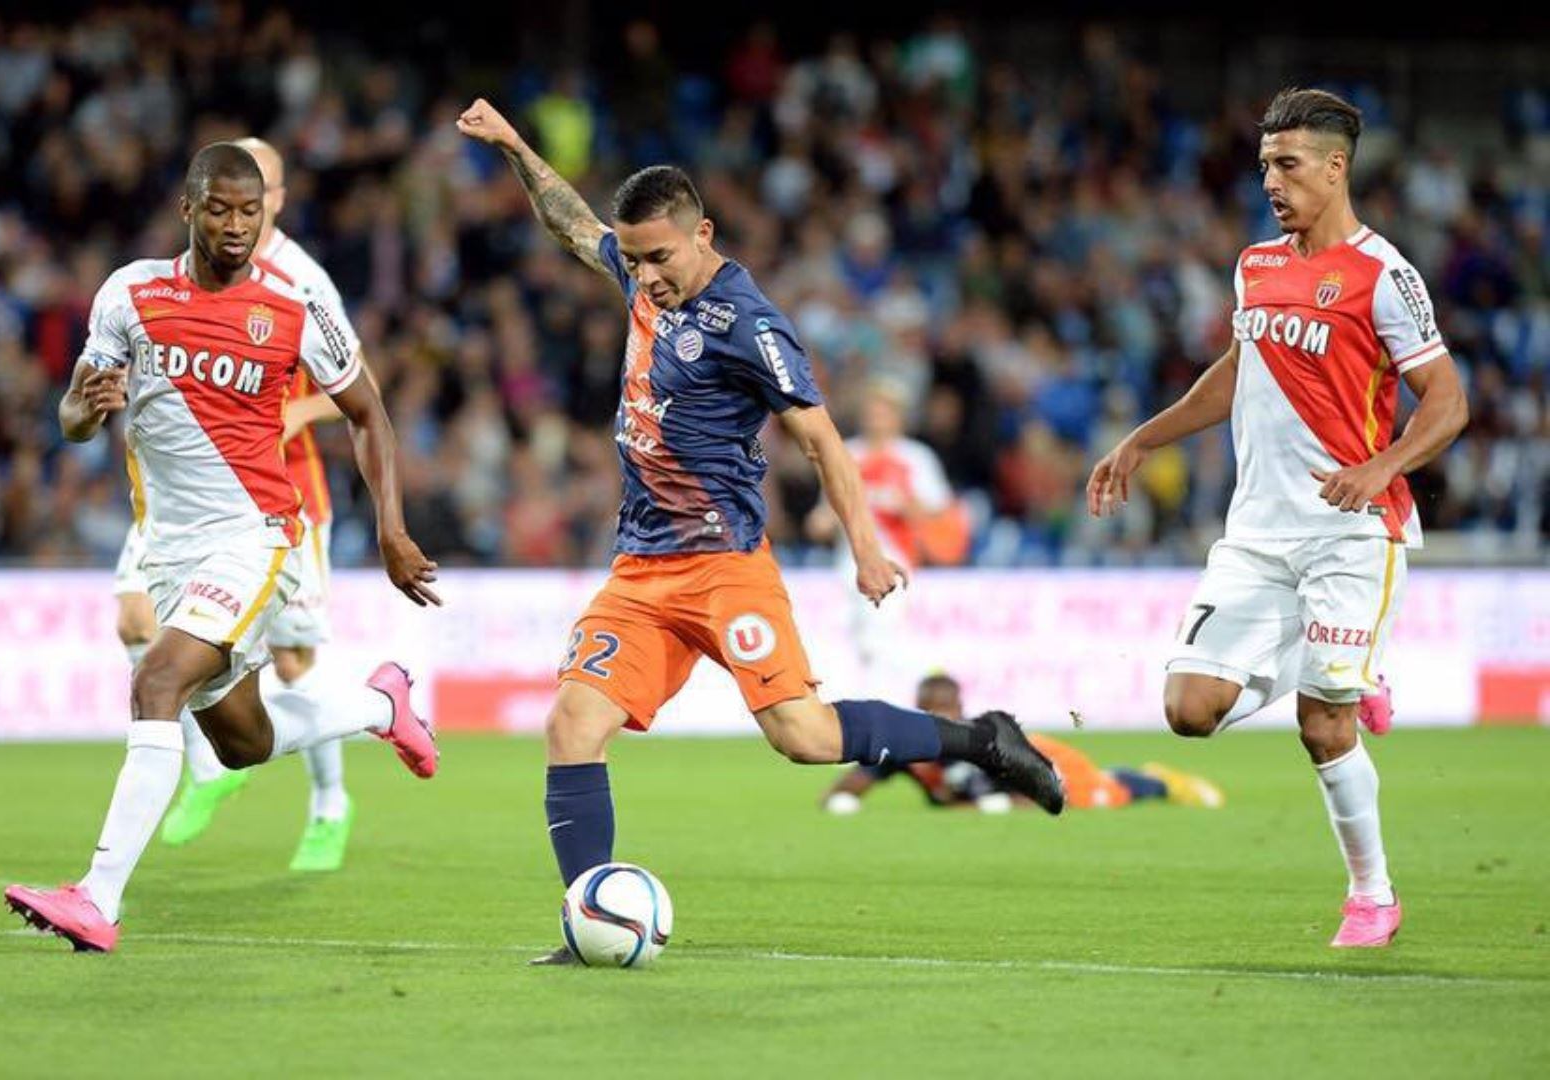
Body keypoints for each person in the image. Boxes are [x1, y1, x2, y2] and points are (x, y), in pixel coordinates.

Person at [456, 98, 1065, 967]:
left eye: (660, 257)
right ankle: (587, 918)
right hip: (640, 571)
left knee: (803, 738)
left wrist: (864, 546)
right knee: (570, 726)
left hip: (724, 566)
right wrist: (516, 145)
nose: (646, 276)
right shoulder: (639, 275)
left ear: (703, 232)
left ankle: (986, 739)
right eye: (634, 260)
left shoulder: (751, 326)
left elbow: (819, 437)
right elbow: (571, 222)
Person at [5, 143, 442, 952]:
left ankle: (98, 897)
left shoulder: (294, 306)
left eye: (250, 211)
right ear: (188, 208)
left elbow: (368, 414)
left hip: (257, 536)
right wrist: (81, 404)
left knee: (156, 678)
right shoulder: (130, 294)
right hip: (167, 548)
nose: (237, 226)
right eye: (220, 209)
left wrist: (391, 528)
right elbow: (73, 421)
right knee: (242, 743)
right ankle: (382, 705)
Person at [1086, 89, 1469, 948]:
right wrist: (1142, 440)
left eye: (1288, 164)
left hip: (1350, 529)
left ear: (1337, 169)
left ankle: (1373, 896)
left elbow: (1448, 401)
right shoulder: (1256, 265)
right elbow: (1237, 365)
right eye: (1264, 165)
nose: (1271, 180)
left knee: (1320, 722)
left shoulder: (1385, 275)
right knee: (1188, 708)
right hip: (1256, 535)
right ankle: (1348, 663)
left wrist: (1381, 464)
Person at [150, 137, 362, 873]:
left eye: (262, 189)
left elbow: (357, 389)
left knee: (296, 659)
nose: (248, 204)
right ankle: (206, 769)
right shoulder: (188, 271)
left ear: (278, 196)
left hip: (287, 493)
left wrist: (298, 415)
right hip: (201, 501)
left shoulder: (302, 280)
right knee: (143, 624)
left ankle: (330, 804)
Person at [821, 673, 1223, 813]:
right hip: (1005, 784)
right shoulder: (909, 748)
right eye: (932, 710)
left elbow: (1030, 797)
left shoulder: (979, 747)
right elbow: (848, 788)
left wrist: (981, 809)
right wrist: (845, 799)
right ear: (918, 708)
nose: (942, 719)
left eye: (948, 709)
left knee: (1102, 795)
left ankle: (1160, 782)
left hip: (1042, 757)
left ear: (961, 707)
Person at [806, 379, 954, 697]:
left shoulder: (915, 458)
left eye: (884, 410)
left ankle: (890, 699)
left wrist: (904, 504)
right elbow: (823, 517)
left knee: (881, 633)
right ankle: (902, 691)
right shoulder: (849, 453)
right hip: (849, 559)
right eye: (872, 409)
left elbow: (939, 515)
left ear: (898, 415)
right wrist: (825, 519)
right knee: (862, 637)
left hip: (898, 555)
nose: (876, 416)